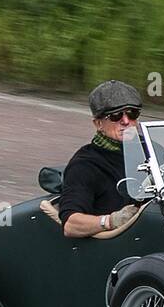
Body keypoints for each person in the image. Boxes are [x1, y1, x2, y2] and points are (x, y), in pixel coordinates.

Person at [60, 80, 143, 238]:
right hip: (117, 246)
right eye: (115, 116)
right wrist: (111, 221)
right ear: (98, 124)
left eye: (132, 113)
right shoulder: (85, 165)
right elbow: (70, 225)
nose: (125, 121)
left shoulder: (152, 149)